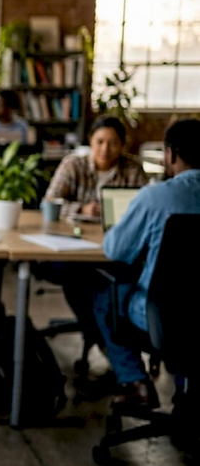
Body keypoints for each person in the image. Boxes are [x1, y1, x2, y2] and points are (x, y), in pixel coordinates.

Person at [93, 118, 200, 409]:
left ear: (171, 154)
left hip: (165, 314)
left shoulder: (155, 197)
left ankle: (136, 383)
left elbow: (115, 249)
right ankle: (188, 396)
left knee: (105, 297)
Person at [38, 114, 149, 370]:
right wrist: (82, 209)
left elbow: (142, 211)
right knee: (81, 277)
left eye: (112, 143)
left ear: (122, 145)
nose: (105, 149)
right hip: (71, 246)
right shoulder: (73, 164)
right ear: (91, 141)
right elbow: (49, 203)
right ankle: (103, 339)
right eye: (99, 141)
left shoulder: (132, 169)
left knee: (104, 279)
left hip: (112, 248)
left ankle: (104, 339)